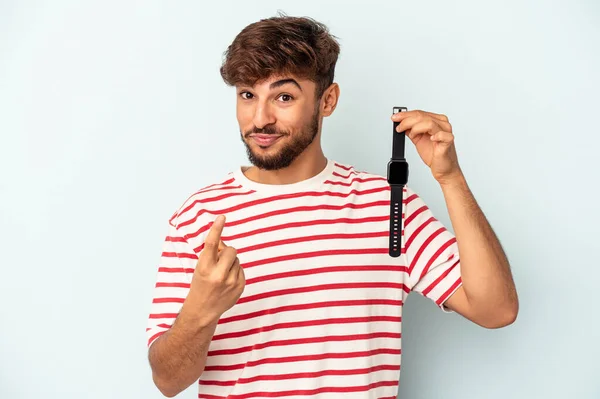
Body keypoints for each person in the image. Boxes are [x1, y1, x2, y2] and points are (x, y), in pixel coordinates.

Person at [145, 14, 519, 398]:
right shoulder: (198, 217)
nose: (260, 118)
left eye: (284, 97)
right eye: (247, 95)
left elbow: (496, 309)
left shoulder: (388, 205)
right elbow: (168, 380)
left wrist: (450, 178)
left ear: (328, 100)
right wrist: (200, 310)